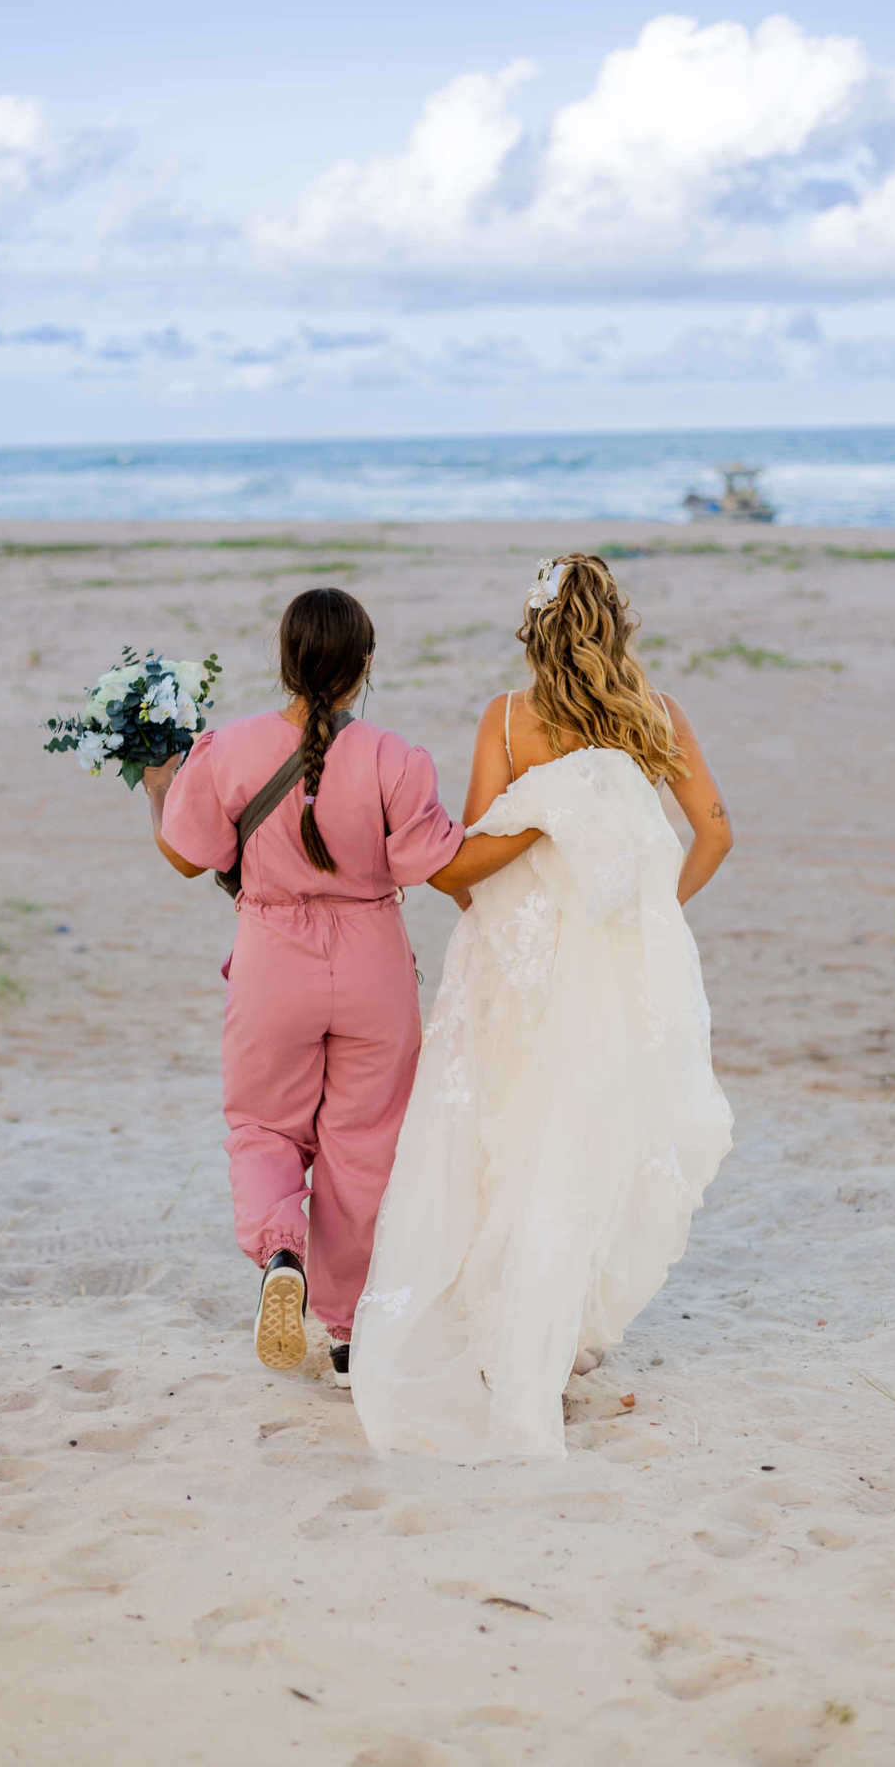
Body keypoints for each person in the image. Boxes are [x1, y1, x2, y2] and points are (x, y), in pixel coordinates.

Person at [351, 554, 735, 1460]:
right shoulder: (657, 714)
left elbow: (475, 854)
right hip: (613, 964)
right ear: (617, 623)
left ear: (534, 627)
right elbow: (714, 832)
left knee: (508, 1134)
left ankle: (505, 1334)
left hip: (520, 968)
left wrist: (510, 928)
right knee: (590, 1138)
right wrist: (650, 914)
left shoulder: (510, 719)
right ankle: (556, 1339)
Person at [141, 587, 538, 1388]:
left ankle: (280, 1251)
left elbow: (186, 857)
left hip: (271, 960)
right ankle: (351, 1331)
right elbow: (442, 865)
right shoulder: (395, 757)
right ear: (364, 665)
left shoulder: (228, 750)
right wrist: (538, 825)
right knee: (367, 1144)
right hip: (372, 966)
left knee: (262, 1126)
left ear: (285, 662)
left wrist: (158, 785)